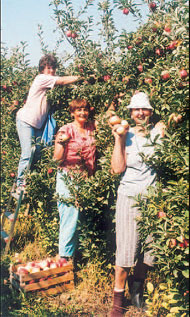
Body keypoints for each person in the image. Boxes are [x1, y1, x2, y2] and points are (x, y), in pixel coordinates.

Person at [110, 92, 166, 316]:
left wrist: (167, 125)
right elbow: (116, 169)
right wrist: (119, 139)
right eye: (136, 109)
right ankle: (117, 301)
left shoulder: (158, 133)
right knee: (125, 250)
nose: (140, 113)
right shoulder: (125, 134)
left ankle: (137, 291)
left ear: (150, 112)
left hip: (152, 197)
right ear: (131, 113)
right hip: (129, 196)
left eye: (144, 109)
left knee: (149, 250)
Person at [15, 54, 81, 195]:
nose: (51, 71)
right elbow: (62, 81)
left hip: (37, 125)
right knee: (28, 152)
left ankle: (29, 179)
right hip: (26, 121)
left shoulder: (50, 85)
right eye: (49, 68)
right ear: (42, 69)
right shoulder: (41, 79)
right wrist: (81, 77)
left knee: (38, 153)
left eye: (53, 68)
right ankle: (20, 184)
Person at [53, 98, 97, 260]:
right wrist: (62, 144)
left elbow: (108, 118)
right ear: (72, 113)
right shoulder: (66, 130)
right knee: (69, 216)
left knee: (80, 218)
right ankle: (64, 258)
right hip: (68, 178)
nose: (82, 113)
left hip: (86, 179)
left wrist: (114, 101)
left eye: (85, 109)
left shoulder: (91, 128)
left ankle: (74, 256)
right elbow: (57, 159)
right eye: (78, 110)